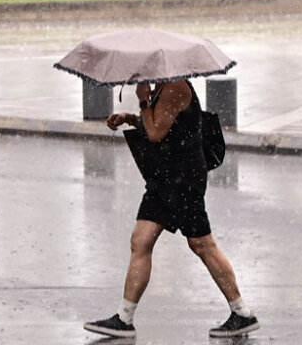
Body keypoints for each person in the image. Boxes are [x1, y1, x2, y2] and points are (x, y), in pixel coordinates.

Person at [83, 78, 259, 339]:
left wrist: (143, 99)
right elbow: (156, 122)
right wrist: (130, 118)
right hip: (165, 177)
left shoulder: (176, 87)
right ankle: (124, 318)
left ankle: (242, 313)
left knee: (201, 244)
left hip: (183, 179)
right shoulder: (164, 88)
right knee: (141, 240)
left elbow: (155, 133)